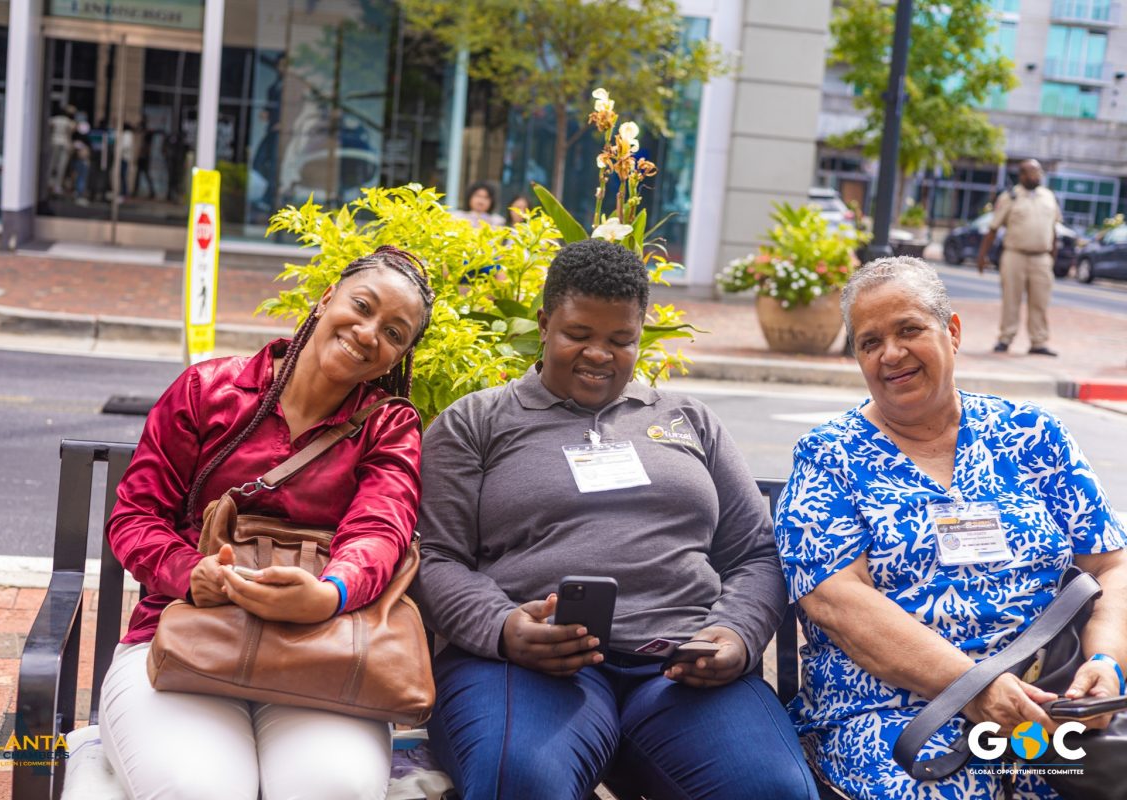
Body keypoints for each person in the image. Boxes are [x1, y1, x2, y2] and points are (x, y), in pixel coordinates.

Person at [414, 238, 817, 800]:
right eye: (578, 334)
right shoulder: (476, 423)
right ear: (544, 324)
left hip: (680, 666)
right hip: (530, 667)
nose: (599, 354)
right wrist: (503, 627)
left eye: (620, 340)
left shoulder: (690, 421)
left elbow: (753, 552)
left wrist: (735, 634)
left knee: (772, 791)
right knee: (520, 783)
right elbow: (435, 556)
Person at [775, 256, 1127, 800]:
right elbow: (837, 602)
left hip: (1048, 706)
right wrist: (974, 687)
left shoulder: (1031, 433)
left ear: (953, 332)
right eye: (870, 342)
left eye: (909, 329)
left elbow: (1111, 564)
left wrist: (1106, 663)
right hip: (898, 715)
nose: (891, 353)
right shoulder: (829, 456)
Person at [101, 246, 436, 799]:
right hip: (185, 634)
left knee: (335, 788)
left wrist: (330, 593)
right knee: (196, 788)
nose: (369, 332)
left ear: (396, 358)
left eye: (394, 333)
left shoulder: (388, 426)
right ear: (326, 298)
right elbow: (137, 516)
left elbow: (381, 529)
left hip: (325, 646)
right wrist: (192, 573)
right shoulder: (207, 390)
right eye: (362, 306)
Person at [977, 159, 1063, 356]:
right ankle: (1005, 338)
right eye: (1031, 172)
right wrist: (982, 256)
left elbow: (1053, 229)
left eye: (1038, 172)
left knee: (1040, 301)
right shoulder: (1010, 197)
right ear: (1022, 175)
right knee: (1011, 299)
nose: (1036, 176)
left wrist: (1053, 257)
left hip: (1041, 257)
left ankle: (1038, 342)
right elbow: (993, 229)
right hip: (1014, 255)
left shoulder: (1048, 196)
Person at [46, 105, 76, 196]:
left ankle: (49, 183)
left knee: (52, 164)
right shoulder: (69, 122)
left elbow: (49, 127)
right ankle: (57, 185)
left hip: (54, 141)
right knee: (61, 166)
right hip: (64, 143)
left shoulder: (54, 120)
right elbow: (71, 132)